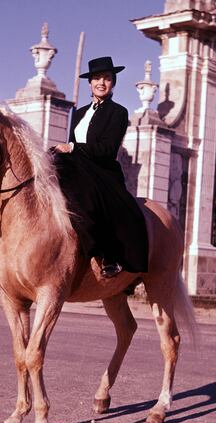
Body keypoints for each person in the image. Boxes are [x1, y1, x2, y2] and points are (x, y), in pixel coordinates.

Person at [52, 56, 148, 278]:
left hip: (102, 171)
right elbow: (70, 145)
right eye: (96, 78)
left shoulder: (119, 112)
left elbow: (107, 148)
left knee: (82, 195)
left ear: (113, 82)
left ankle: (107, 253)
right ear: (90, 83)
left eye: (106, 78)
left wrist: (73, 148)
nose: (101, 83)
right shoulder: (78, 113)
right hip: (75, 165)